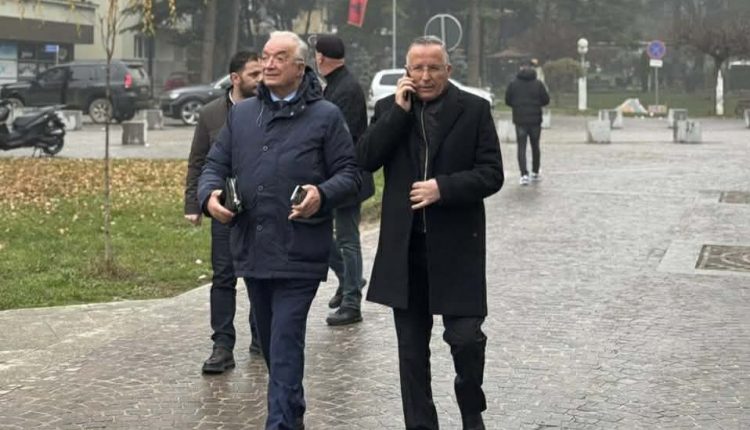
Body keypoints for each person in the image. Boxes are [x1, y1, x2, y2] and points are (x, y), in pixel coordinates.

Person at [198, 31, 359, 430]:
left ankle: (281, 422)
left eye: (280, 57)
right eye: (266, 56)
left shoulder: (326, 116)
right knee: (273, 346)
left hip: (299, 249)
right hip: (252, 248)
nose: (268, 64)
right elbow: (214, 164)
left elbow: (351, 175)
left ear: (300, 67)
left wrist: (322, 194)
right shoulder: (242, 115)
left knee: (285, 342)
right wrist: (209, 195)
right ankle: (292, 412)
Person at [357, 36, 504, 430]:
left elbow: (492, 174)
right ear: (407, 71)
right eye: (417, 68)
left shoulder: (474, 109)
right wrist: (398, 114)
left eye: (433, 68)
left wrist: (444, 188)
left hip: (457, 250)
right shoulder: (390, 109)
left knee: (466, 339)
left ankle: (470, 408)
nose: (425, 76)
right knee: (411, 353)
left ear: (448, 70)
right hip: (405, 253)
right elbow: (365, 158)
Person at [184, 50, 263, 374]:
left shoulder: (267, 108)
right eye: (254, 74)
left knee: (260, 274)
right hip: (224, 207)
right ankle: (222, 345)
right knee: (223, 276)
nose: (260, 79)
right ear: (235, 78)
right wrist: (194, 204)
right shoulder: (211, 113)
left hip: (260, 207)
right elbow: (198, 161)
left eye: (262, 73)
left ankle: (261, 336)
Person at [314, 34, 374, 326]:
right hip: (336, 176)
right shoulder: (336, 85)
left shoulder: (345, 89)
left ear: (321, 57)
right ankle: (349, 277)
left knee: (348, 239)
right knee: (320, 234)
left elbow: (341, 137)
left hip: (348, 175)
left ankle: (352, 302)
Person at [504, 59, 550, 185]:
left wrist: (517, 106)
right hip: (535, 120)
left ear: (520, 68)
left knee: (521, 147)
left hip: (519, 119)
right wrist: (536, 104)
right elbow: (546, 100)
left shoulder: (513, 84)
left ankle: (524, 174)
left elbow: (507, 100)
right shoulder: (538, 84)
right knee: (535, 146)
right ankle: (535, 172)